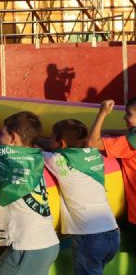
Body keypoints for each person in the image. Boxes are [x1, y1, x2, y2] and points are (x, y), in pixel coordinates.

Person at [0, 111, 59, 275]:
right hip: (48, 242)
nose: (0, 139)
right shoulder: (36, 157)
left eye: (3, 134)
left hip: (27, 247)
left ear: (13, 138)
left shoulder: (1, 161)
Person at [42, 119, 119, 275]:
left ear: (62, 143)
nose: (50, 141)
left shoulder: (59, 161)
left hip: (90, 237)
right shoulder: (94, 154)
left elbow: (33, 152)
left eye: (52, 138)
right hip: (113, 233)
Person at [88, 99, 136, 249]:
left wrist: (102, 113)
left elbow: (92, 143)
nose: (124, 118)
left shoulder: (128, 144)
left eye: (128, 114)